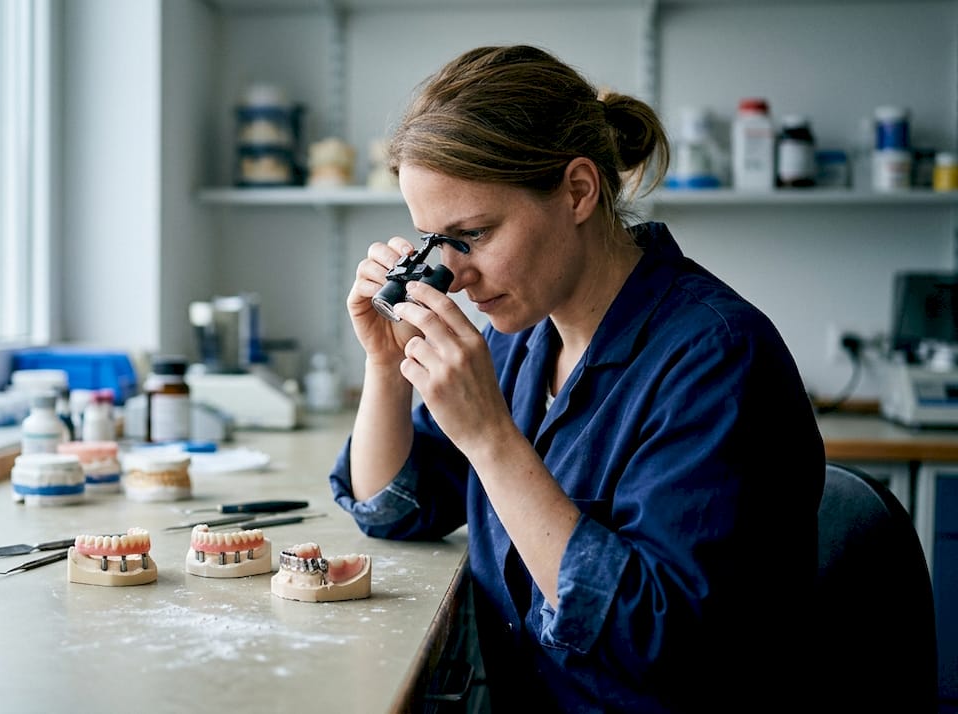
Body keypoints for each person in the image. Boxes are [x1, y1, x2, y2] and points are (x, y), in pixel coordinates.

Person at [328, 45, 825, 712]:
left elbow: (657, 640)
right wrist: (387, 367)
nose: (454, 274)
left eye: (473, 234)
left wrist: (493, 441)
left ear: (578, 191)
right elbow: (397, 509)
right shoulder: (520, 338)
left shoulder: (717, 358)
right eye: (432, 241)